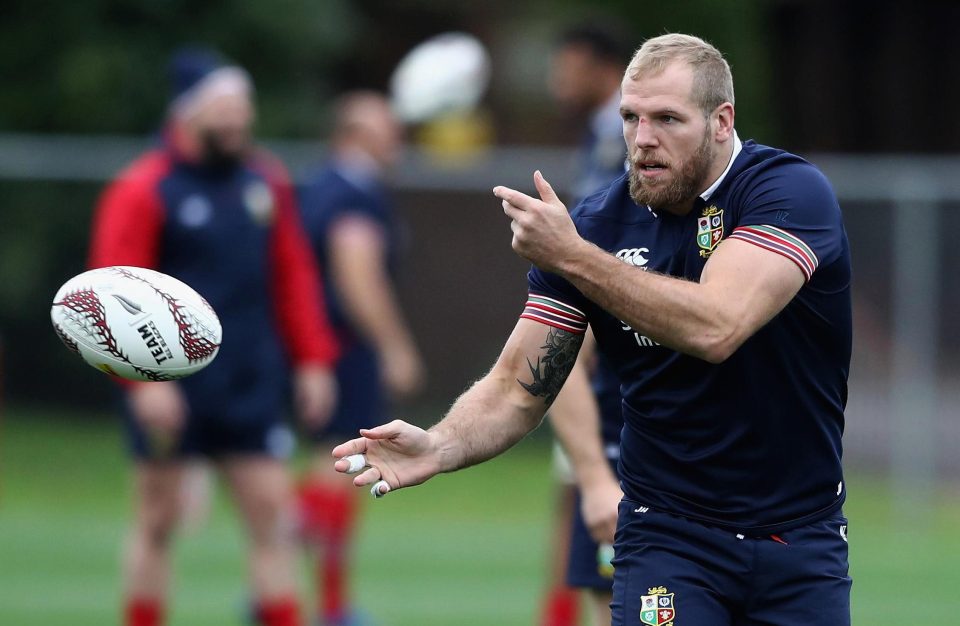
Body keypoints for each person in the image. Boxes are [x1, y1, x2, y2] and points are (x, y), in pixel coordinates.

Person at [334, 33, 853, 626]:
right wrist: (441, 443)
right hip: (668, 537)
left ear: (720, 121)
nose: (643, 139)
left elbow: (719, 325)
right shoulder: (599, 224)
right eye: (631, 117)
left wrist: (573, 256)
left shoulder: (784, 192)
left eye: (666, 119)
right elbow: (518, 387)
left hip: (800, 538)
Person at [88, 47, 339, 626]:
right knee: (158, 520)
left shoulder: (263, 181)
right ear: (188, 113)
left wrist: (313, 360)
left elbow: (293, 273)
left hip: (249, 380)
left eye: (243, 106)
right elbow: (108, 297)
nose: (238, 119)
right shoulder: (144, 187)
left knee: (273, 519)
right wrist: (141, 383)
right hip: (171, 388)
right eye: (225, 106)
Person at [297, 91, 425, 626]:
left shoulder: (322, 185)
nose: (397, 138)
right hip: (345, 350)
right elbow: (357, 276)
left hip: (317, 351)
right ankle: (325, 601)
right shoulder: (355, 193)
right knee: (345, 466)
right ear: (354, 136)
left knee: (328, 466)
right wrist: (395, 345)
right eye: (385, 129)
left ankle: (299, 587)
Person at [539, 22, 632, 626]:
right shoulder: (598, 135)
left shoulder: (625, 134)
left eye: (566, 63)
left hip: (618, 358)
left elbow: (610, 255)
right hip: (584, 353)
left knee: (592, 491)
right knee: (577, 486)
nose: (556, 79)